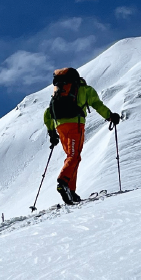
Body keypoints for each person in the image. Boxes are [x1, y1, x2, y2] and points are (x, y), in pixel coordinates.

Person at [43, 67, 120, 205]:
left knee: (72, 157)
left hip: (60, 127)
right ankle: (63, 182)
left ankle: (71, 191)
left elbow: (47, 113)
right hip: (75, 124)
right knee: (74, 156)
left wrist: (51, 132)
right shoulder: (85, 89)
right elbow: (97, 104)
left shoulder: (58, 93)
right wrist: (110, 116)